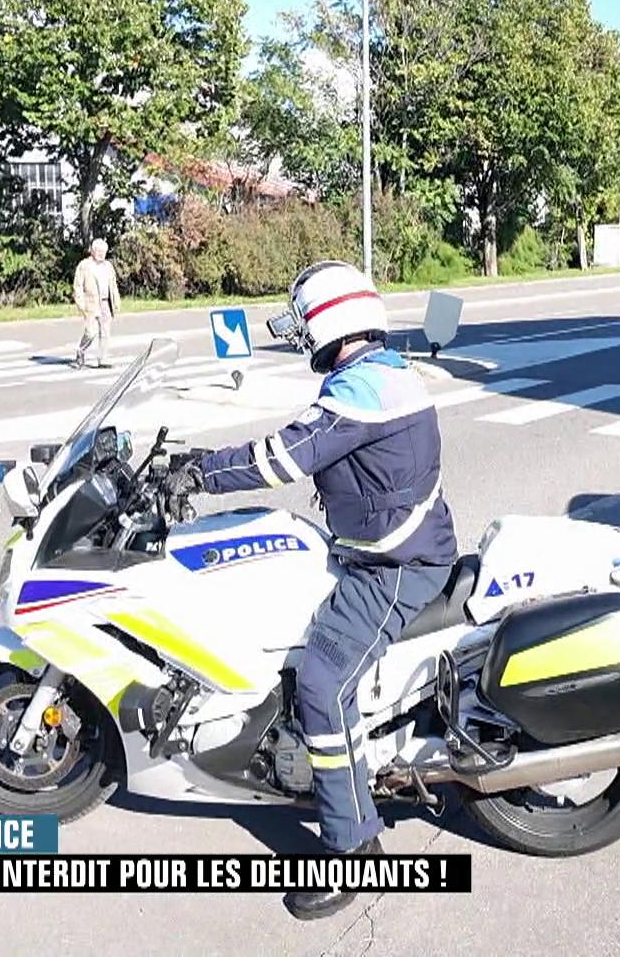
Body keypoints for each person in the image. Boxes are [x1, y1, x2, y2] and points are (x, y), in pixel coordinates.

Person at [167, 260, 456, 921]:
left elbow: (283, 457)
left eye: (303, 322)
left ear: (329, 320)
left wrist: (197, 473)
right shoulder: (378, 374)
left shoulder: (361, 392)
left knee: (324, 684)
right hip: (390, 551)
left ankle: (352, 847)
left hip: (394, 568)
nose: (300, 336)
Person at [71, 238, 118, 369]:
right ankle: (81, 351)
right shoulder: (84, 265)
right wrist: (80, 303)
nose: (100, 254)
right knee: (90, 332)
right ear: (92, 251)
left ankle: (103, 358)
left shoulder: (108, 266)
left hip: (106, 303)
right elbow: (78, 286)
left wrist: (116, 300)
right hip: (91, 303)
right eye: (98, 251)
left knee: (105, 332)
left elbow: (113, 284)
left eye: (103, 251)